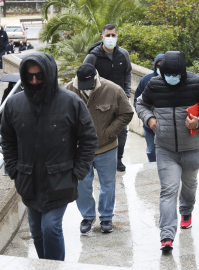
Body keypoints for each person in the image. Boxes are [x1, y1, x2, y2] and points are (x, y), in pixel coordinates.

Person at [0, 52, 98, 261]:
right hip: (28, 180)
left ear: (50, 75)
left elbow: (89, 138)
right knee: (36, 231)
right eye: (29, 77)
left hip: (60, 179)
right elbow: (7, 139)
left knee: (50, 227)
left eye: (39, 77)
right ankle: (46, 264)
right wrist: (13, 168)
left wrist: (78, 172)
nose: (34, 81)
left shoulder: (71, 102)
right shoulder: (14, 104)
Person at [136, 51, 199, 251]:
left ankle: (186, 211)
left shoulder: (197, 83)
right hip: (165, 148)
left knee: (189, 184)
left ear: (182, 72)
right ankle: (166, 236)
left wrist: (198, 122)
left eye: (174, 74)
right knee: (168, 189)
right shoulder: (155, 84)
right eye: (167, 74)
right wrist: (149, 119)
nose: (170, 77)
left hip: (191, 148)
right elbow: (141, 103)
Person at [67, 63, 133, 234]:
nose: (87, 90)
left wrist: (110, 132)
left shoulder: (113, 90)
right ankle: (88, 216)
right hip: (81, 150)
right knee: (82, 184)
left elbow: (127, 113)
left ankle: (106, 217)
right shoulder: (68, 91)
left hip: (107, 147)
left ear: (96, 78)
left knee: (108, 184)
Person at [83, 24, 132, 172]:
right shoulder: (93, 56)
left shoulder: (123, 54)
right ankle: (96, 158)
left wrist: (127, 93)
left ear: (117, 37)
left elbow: (128, 73)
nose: (111, 38)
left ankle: (118, 159)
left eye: (113, 35)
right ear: (102, 37)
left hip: (118, 100)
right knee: (98, 130)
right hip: (99, 101)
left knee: (121, 130)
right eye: (108, 35)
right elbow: (84, 75)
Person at [134, 53, 164, 162]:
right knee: (152, 151)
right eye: (158, 66)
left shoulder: (172, 81)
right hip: (150, 127)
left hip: (167, 128)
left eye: (163, 65)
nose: (160, 68)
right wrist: (147, 118)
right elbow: (137, 101)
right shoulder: (146, 80)